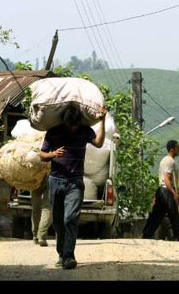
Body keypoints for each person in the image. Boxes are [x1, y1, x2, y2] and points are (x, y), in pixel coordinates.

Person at [40, 105, 106, 270]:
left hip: (75, 182)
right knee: (58, 221)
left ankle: (69, 256)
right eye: (71, 125)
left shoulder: (85, 130)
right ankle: (61, 254)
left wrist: (102, 121)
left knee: (70, 219)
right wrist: (53, 155)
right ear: (65, 121)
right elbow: (42, 155)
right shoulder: (54, 132)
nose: (73, 128)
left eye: (75, 125)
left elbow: (98, 143)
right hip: (56, 180)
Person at [142, 140, 179, 241]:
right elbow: (167, 178)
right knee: (174, 214)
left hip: (162, 190)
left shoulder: (166, 160)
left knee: (156, 214)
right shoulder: (169, 161)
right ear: (172, 149)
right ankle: (178, 237)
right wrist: (174, 193)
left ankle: (146, 235)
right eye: (177, 147)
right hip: (166, 190)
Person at [31, 173, 51, 247]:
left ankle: (35, 236)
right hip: (50, 176)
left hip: (35, 176)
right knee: (47, 208)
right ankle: (41, 236)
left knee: (36, 208)